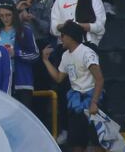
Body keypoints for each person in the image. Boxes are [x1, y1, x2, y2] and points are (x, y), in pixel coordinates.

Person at [43, 22, 104, 151]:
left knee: (96, 143)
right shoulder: (65, 56)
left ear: (70, 36)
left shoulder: (87, 53)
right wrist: (46, 61)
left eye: (63, 35)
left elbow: (99, 79)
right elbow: (59, 78)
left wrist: (94, 102)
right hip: (76, 103)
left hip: (91, 101)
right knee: (76, 144)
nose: (61, 38)